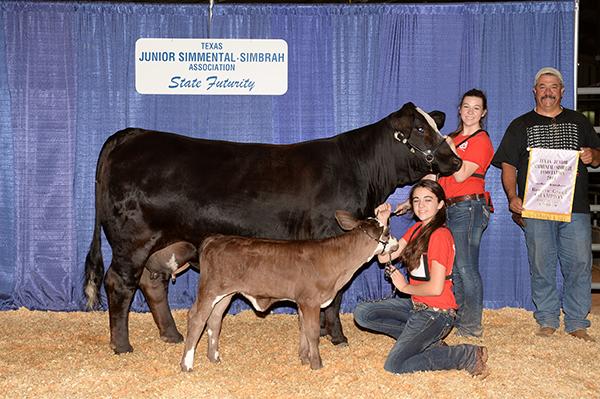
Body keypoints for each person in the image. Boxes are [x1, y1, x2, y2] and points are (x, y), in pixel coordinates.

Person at [491, 67, 600, 342]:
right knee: (541, 264)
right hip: (537, 206)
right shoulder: (520, 125)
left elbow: (598, 156)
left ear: (562, 91)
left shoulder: (579, 122)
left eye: (553, 86)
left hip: (575, 207)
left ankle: (577, 321)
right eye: (542, 86)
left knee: (579, 263)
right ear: (535, 91)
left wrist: (592, 154)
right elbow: (508, 165)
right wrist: (512, 197)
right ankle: (548, 318)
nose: (548, 91)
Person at [353, 179, 489, 378]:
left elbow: (435, 288)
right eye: (416, 200)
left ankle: (464, 355)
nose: (421, 205)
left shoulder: (440, 235)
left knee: (395, 365)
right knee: (363, 314)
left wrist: (405, 288)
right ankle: (428, 342)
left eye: (428, 200)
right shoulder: (416, 229)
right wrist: (382, 222)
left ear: (440, 204)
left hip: (437, 313)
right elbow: (384, 257)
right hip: (416, 306)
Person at [438, 89, 494, 338]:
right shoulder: (452, 138)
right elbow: (438, 176)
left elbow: (460, 174)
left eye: (476, 108)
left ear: (483, 113)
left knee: (465, 266)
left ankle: (472, 326)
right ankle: (461, 320)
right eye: (466, 107)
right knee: (455, 267)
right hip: (449, 207)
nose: (470, 112)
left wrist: (449, 147)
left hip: (469, 206)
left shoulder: (482, 140)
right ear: (459, 110)